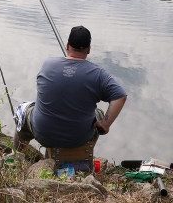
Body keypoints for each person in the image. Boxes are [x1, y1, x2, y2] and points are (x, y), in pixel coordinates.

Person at [14, 26, 127, 170]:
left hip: (43, 133)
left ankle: (16, 156)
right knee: (98, 113)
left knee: (24, 110)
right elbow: (120, 96)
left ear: (67, 45)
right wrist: (105, 124)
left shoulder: (48, 65)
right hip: (79, 138)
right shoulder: (98, 74)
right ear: (89, 49)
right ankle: (82, 156)